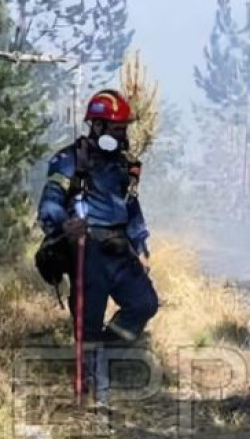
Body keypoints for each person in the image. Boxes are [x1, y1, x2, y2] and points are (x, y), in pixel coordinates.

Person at [37, 89, 159, 406]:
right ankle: (90, 388)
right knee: (87, 323)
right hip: (86, 250)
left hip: (119, 251)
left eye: (124, 129)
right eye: (117, 129)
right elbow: (50, 202)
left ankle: (104, 351)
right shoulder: (69, 161)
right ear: (99, 127)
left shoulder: (123, 166)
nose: (123, 135)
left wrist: (140, 242)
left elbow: (130, 207)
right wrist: (63, 225)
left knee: (144, 303)